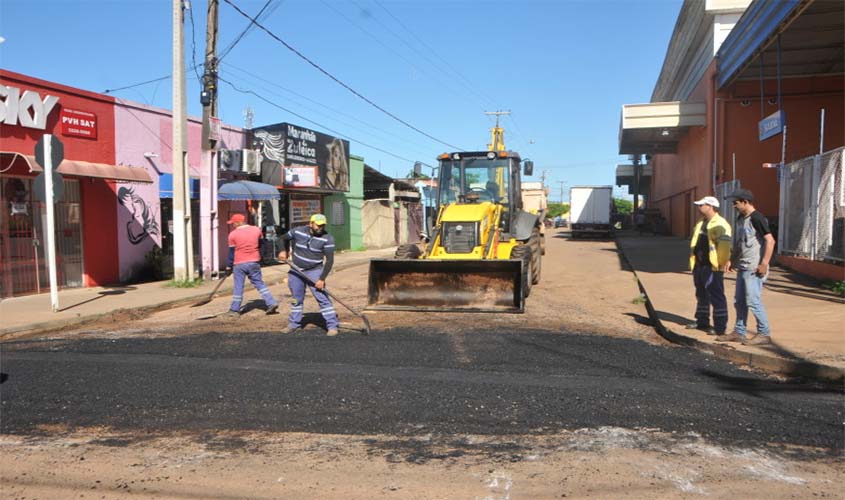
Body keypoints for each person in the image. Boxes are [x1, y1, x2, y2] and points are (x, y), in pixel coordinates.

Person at [718, 188, 775, 345]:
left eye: (736, 203)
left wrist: (764, 264)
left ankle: (764, 333)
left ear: (745, 202)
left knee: (753, 301)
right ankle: (739, 331)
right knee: (739, 301)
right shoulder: (742, 218)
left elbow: (770, 241)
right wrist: (732, 260)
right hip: (743, 266)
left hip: (754, 268)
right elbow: (740, 242)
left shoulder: (757, 218)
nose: (734, 206)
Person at [277, 214, 339, 336]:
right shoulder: (298, 231)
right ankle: (294, 324)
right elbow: (281, 238)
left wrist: (321, 279)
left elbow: (330, 261)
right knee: (296, 299)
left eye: (323, 225)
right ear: (311, 223)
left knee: (322, 298)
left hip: (314, 271)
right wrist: (282, 250)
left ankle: (332, 326)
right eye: (318, 225)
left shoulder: (327, 238)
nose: (320, 227)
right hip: (296, 270)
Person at [686, 196, 731, 336]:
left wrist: (722, 263)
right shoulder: (701, 222)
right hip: (699, 265)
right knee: (701, 294)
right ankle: (702, 321)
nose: (698, 207)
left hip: (712, 266)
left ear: (710, 206)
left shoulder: (721, 224)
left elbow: (724, 246)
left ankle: (720, 327)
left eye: (701, 205)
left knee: (716, 296)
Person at [225, 213, 279, 317]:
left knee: (238, 286)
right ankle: (271, 302)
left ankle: (234, 310)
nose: (233, 225)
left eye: (234, 223)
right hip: (254, 261)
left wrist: (228, 266)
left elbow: (232, 253)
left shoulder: (233, 235)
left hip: (239, 264)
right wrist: (262, 258)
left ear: (238, 222)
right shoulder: (256, 230)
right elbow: (262, 245)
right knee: (259, 283)